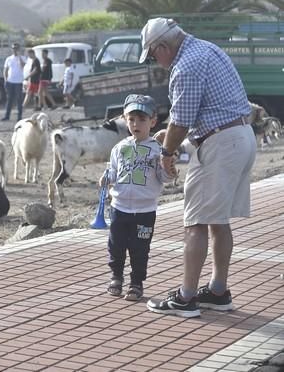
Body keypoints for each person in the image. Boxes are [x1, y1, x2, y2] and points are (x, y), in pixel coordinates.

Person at [141, 18, 256, 318]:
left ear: (163, 46)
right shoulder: (207, 49)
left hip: (221, 144)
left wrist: (167, 152)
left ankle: (185, 297)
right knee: (217, 220)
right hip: (241, 136)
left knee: (195, 222)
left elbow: (181, 120)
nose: (156, 62)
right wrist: (172, 137)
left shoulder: (186, 65)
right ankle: (218, 291)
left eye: (153, 55)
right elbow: (201, 112)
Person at [103, 94, 175, 302]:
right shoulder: (119, 148)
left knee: (140, 248)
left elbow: (164, 177)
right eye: (132, 119)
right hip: (119, 208)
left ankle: (137, 282)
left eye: (142, 120)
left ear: (153, 122)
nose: (136, 124)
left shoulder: (158, 150)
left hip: (145, 211)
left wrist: (169, 171)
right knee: (115, 245)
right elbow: (113, 171)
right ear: (125, 120)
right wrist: (106, 177)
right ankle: (116, 276)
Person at [1, 43, 25, 121]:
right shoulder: (9, 58)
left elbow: (22, 66)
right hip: (10, 81)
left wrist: (19, 57)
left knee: (19, 99)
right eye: (14, 49)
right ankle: (7, 116)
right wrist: (5, 79)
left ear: (19, 49)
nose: (15, 50)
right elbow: (5, 69)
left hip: (18, 82)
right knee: (9, 99)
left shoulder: (22, 58)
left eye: (16, 49)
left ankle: (19, 116)